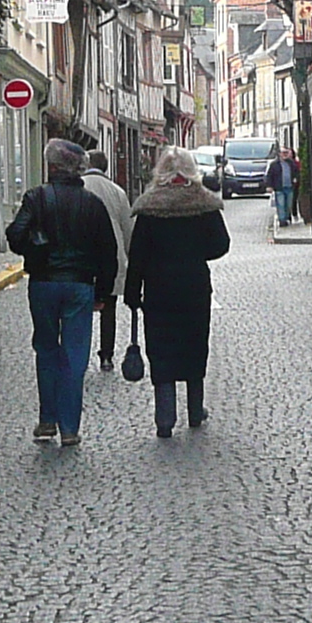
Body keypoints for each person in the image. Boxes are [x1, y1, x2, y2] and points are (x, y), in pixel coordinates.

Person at [6, 137, 121, 446]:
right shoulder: (93, 204)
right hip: (80, 285)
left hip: (43, 283)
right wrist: (103, 292)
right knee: (74, 355)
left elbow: (15, 236)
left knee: (46, 349)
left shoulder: (37, 198)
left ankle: (46, 421)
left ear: (52, 166)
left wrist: (35, 246)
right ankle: (69, 427)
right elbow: (108, 252)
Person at [124, 146, 232, 437]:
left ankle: (165, 418)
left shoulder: (150, 205)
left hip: (158, 290)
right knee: (195, 347)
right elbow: (221, 245)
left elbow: (137, 255)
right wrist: (195, 252)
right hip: (194, 287)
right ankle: (195, 411)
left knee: (162, 349)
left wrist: (132, 293)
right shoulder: (202, 202)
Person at [82, 147, 133, 372]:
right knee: (108, 308)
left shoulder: (79, 187)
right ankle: (107, 356)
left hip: (83, 258)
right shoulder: (117, 192)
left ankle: (78, 354)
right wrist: (130, 257)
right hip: (111, 258)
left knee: (80, 308)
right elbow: (127, 228)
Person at [271, 140, 302, 230]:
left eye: (286, 153)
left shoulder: (291, 163)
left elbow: (297, 172)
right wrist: (270, 186)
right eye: (283, 153)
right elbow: (270, 175)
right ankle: (282, 220)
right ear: (279, 154)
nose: (284, 154)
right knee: (280, 204)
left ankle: (287, 216)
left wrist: (296, 179)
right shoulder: (274, 165)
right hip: (279, 188)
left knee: (289, 204)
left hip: (289, 187)